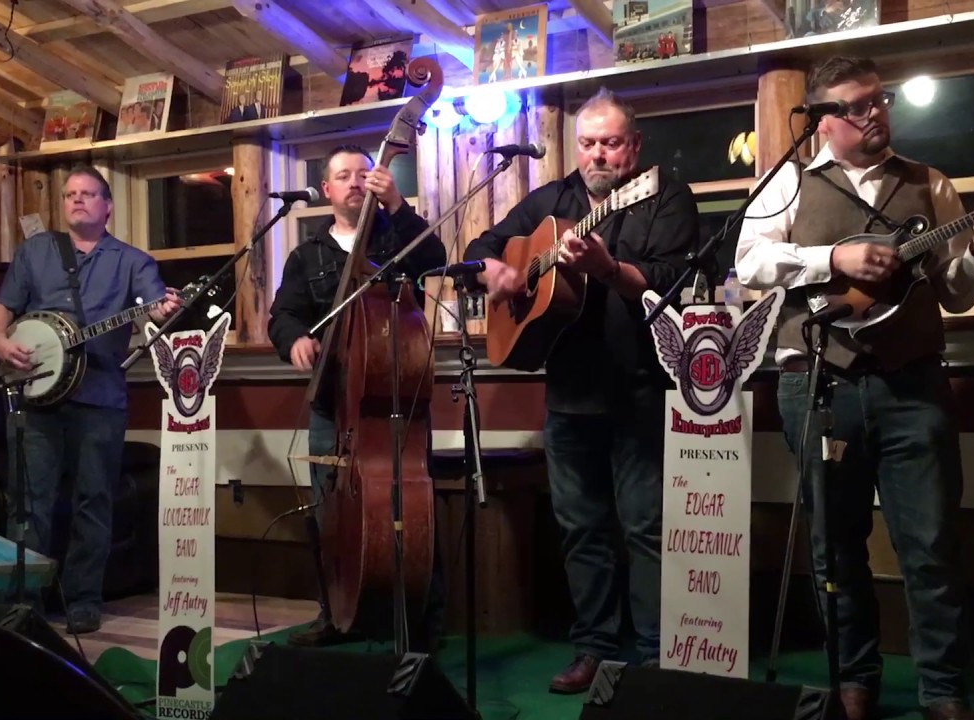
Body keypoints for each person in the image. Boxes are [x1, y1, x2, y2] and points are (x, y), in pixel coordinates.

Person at [734, 56, 974, 720]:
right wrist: (833, 257)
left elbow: (956, 294)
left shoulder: (931, 184)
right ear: (824, 122)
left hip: (913, 384)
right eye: (858, 107)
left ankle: (943, 690)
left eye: (879, 101)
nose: (875, 114)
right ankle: (853, 682)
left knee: (931, 543)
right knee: (835, 546)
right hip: (820, 386)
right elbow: (749, 261)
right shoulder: (788, 185)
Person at [463, 87, 700, 693]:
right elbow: (481, 248)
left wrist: (609, 271)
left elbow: (676, 278)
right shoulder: (552, 200)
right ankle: (593, 647)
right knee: (582, 528)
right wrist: (498, 269)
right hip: (568, 392)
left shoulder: (663, 196)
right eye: (589, 143)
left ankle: (651, 657)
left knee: (645, 526)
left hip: (640, 388)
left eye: (612, 143)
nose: (598, 155)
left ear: (635, 145)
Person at [267, 144, 447, 650]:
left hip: (394, 402)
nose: (353, 182)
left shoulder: (396, 239)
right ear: (326, 190)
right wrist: (295, 339)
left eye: (363, 174)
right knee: (331, 513)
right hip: (334, 405)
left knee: (411, 510)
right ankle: (336, 614)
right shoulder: (307, 256)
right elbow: (283, 316)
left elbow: (437, 260)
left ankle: (420, 624)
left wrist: (397, 206)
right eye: (342, 175)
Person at [0, 166, 182, 634]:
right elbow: (2, 309)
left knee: (93, 499)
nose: (77, 200)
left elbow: (154, 309)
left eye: (88, 194)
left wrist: (161, 310)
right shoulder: (35, 252)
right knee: (29, 501)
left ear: (107, 206)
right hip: (36, 394)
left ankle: (83, 601)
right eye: (71, 193)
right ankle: (23, 603)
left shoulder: (133, 261)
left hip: (100, 396)